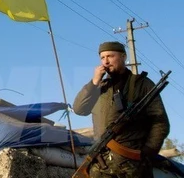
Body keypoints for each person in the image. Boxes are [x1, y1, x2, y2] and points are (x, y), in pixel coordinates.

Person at [73, 41, 170, 178]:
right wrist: (93, 82)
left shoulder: (142, 84)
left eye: (110, 56)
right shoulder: (99, 87)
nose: (106, 61)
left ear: (123, 57)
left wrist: (147, 153)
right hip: (101, 166)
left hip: (133, 166)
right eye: (102, 58)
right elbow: (79, 109)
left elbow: (160, 122)